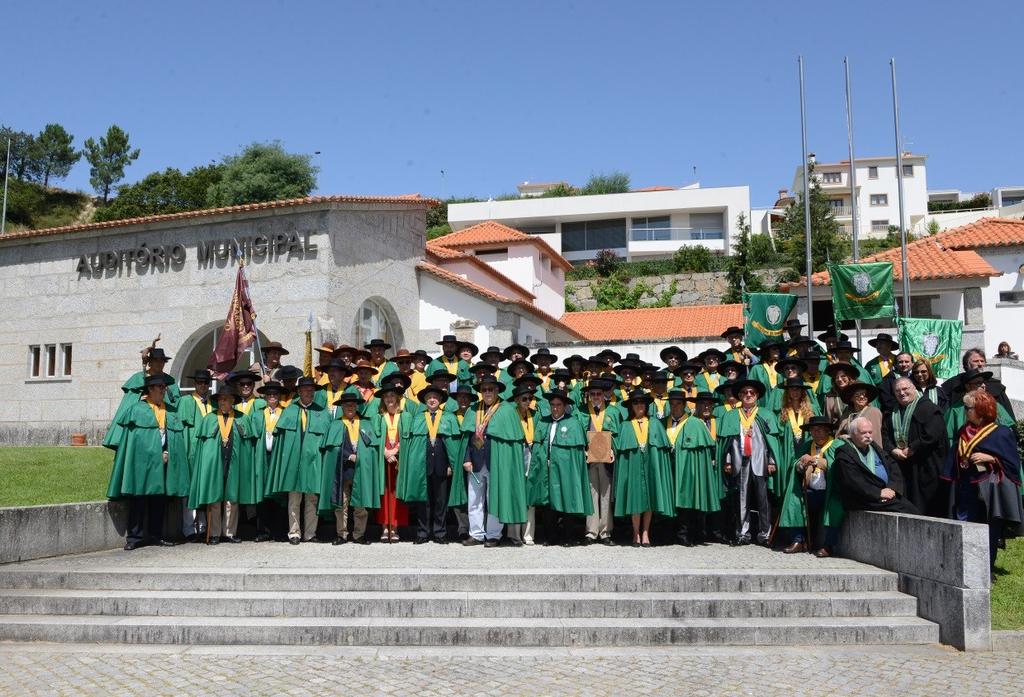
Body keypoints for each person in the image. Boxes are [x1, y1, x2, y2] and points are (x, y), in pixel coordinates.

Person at [941, 391, 1023, 579]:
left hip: (989, 490)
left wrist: (992, 457)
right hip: (965, 485)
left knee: (988, 530)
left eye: (968, 408)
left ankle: (985, 569)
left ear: (980, 410)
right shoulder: (964, 430)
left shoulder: (1001, 432)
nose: (965, 411)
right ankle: (964, 567)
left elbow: (1012, 464)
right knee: (964, 524)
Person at [106, 375, 190, 550]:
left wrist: (168, 452)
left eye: (164, 387)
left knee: (159, 499)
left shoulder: (171, 411)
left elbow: (174, 438)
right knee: (139, 498)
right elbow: (134, 442)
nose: (163, 390)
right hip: (141, 463)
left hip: (164, 462)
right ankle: (135, 538)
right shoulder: (137, 410)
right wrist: (153, 455)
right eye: (159, 387)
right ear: (149, 390)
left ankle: (155, 535)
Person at [264, 376, 330, 544]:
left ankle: (310, 533)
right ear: (299, 392)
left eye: (311, 390)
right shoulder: (290, 410)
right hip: (294, 462)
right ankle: (294, 533)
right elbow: (281, 441)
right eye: (305, 390)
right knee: (294, 498)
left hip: (313, 461)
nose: (308, 392)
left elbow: (326, 439)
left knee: (312, 498)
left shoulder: (321, 411)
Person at [463, 375, 526, 547]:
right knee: (474, 499)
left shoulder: (506, 410)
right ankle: (475, 534)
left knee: (494, 499)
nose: (487, 392)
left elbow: (511, 440)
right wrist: (467, 459)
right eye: (484, 389)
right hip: (475, 461)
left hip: (497, 463)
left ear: (497, 390)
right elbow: (468, 437)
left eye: (491, 389)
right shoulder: (474, 409)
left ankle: (493, 535)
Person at [528, 389, 592, 546]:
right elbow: (538, 446)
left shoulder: (573, 423)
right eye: (552, 405)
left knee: (566, 500)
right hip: (547, 469)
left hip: (566, 469)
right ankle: (551, 537)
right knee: (548, 503)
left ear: (564, 406)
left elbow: (578, 453)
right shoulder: (543, 421)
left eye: (558, 405)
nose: (555, 408)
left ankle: (568, 537)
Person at [398, 385, 461, 544]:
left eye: (435, 397)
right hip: (422, 465)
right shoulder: (419, 417)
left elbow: (453, 445)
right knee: (423, 501)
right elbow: (413, 445)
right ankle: (422, 533)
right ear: (425, 400)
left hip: (441, 466)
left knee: (441, 501)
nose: (432, 400)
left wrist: (450, 465)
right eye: (429, 397)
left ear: (440, 400)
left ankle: (440, 533)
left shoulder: (448, 417)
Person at [720, 379, 779, 546]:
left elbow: (772, 442)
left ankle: (764, 534)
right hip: (740, 461)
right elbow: (727, 442)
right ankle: (743, 534)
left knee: (763, 499)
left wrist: (772, 461)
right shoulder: (732, 415)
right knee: (741, 499)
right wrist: (728, 461)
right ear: (739, 396)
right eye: (744, 393)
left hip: (760, 461)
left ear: (757, 395)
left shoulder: (766, 414)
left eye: (751, 392)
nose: (748, 395)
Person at [614, 390, 674, 547]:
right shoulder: (625, 425)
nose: (639, 405)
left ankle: (646, 532)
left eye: (642, 402)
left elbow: (662, 450)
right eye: (635, 402)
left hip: (650, 463)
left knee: (649, 498)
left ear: (646, 405)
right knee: (635, 498)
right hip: (633, 464)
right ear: (631, 406)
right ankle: (636, 533)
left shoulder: (655, 423)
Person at [188, 385, 247, 544]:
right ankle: (214, 533)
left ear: (233, 401)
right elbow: (201, 446)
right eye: (220, 399)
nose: (223, 402)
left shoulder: (241, 418)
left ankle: (229, 532)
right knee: (214, 498)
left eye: (226, 399)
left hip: (233, 462)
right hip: (215, 462)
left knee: (232, 498)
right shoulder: (209, 419)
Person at [778, 416, 844, 557]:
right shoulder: (807, 445)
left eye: (820, 430)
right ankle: (798, 540)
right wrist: (801, 464)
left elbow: (838, 467)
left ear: (828, 431)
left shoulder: (837, 445)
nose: (817, 433)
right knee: (795, 501)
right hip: (811, 490)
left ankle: (828, 545)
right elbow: (796, 464)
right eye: (814, 430)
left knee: (835, 507)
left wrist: (814, 461)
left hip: (831, 491)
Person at [882, 377, 948, 517]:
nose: (902, 393)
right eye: (898, 390)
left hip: (926, 466)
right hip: (903, 465)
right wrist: (893, 449)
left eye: (905, 389)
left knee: (928, 507)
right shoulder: (891, 412)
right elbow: (885, 435)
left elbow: (933, 433)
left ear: (914, 389)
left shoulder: (928, 408)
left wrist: (912, 448)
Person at [319, 392, 377, 545]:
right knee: (341, 504)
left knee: (361, 503)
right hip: (342, 469)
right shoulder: (336, 424)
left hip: (361, 470)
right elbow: (332, 449)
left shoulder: (366, 423)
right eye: (346, 405)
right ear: (342, 407)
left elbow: (372, 448)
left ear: (357, 406)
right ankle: (342, 534)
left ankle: (359, 534)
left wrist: (363, 457)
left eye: (352, 404)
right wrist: (347, 455)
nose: (350, 407)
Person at [834, 416, 918, 513]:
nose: (868, 436)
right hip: (863, 498)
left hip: (885, 492)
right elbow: (853, 482)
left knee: (911, 508)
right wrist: (878, 493)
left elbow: (892, 466)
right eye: (864, 433)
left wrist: (891, 488)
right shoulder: (845, 454)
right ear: (853, 433)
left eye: (870, 432)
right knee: (907, 510)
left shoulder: (873, 446)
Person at [102, 345, 180, 450]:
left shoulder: (170, 381)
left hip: (164, 425)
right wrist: (141, 399)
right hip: (142, 426)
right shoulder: (138, 379)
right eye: (155, 360)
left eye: (162, 360)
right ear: (149, 362)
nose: (159, 363)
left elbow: (175, 404)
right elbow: (129, 404)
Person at [669, 391, 717, 545]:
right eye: (672, 403)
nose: (675, 407)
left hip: (688, 467)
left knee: (689, 497)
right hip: (669, 466)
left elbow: (708, 448)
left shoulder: (695, 423)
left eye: (678, 403)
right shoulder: (663, 422)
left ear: (684, 405)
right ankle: (670, 532)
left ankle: (689, 533)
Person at [581, 379, 621, 545]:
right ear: (589, 396)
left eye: (599, 394)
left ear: (605, 395)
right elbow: (579, 433)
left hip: (606, 459)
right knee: (591, 494)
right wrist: (582, 449)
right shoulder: (582, 411)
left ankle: (605, 532)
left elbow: (617, 434)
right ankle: (591, 531)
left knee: (606, 495)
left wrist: (613, 449)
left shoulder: (613, 411)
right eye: (593, 394)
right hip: (589, 458)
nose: (596, 397)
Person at [246, 380, 286, 542]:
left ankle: (279, 531)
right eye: (269, 394)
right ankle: (262, 530)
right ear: (264, 396)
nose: (272, 397)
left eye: (275, 394)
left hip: (279, 458)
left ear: (279, 396)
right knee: (262, 494)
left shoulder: (286, 412)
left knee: (279, 494)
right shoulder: (257, 414)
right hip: (261, 458)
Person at [178, 369, 213, 542]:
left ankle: (204, 526)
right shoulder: (186, 401)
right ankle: (189, 528)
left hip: (208, 453)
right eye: (200, 382)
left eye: (206, 382)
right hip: (191, 451)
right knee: (189, 490)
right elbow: (183, 430)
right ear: (195, 384)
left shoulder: (212, 404)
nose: (203, 385)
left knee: (205, 488)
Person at [774, 376, 819, 508]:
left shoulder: (812, 410)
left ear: (803, 392)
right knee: (789, 487)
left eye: (798, 389)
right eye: (792, 389)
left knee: (806, 488)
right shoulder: (781, 413)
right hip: (788, 454)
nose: (795, 392)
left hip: (806, 451)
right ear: (787, 392)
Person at [374, 383, 410, 542]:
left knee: (397, 495)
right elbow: (374, 438)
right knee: (384, 495)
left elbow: (409, 436)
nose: (389, 399)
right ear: (383, 399)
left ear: (397, 398)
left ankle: (395, 527)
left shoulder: (405, 416)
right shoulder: (378, 417)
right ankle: (384, 527)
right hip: (383, 459)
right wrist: (385, 452)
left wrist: (396, 451)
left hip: (399, 459)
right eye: (386, 396)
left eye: (392, 395)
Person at [836, 382, 883, 448]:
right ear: (851, 398)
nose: (862, 397)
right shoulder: (847, 413)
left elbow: (875, 438)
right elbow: (839, 433)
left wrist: (850, 438)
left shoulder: (873, 412)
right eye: (857, 395)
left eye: (864, 394)